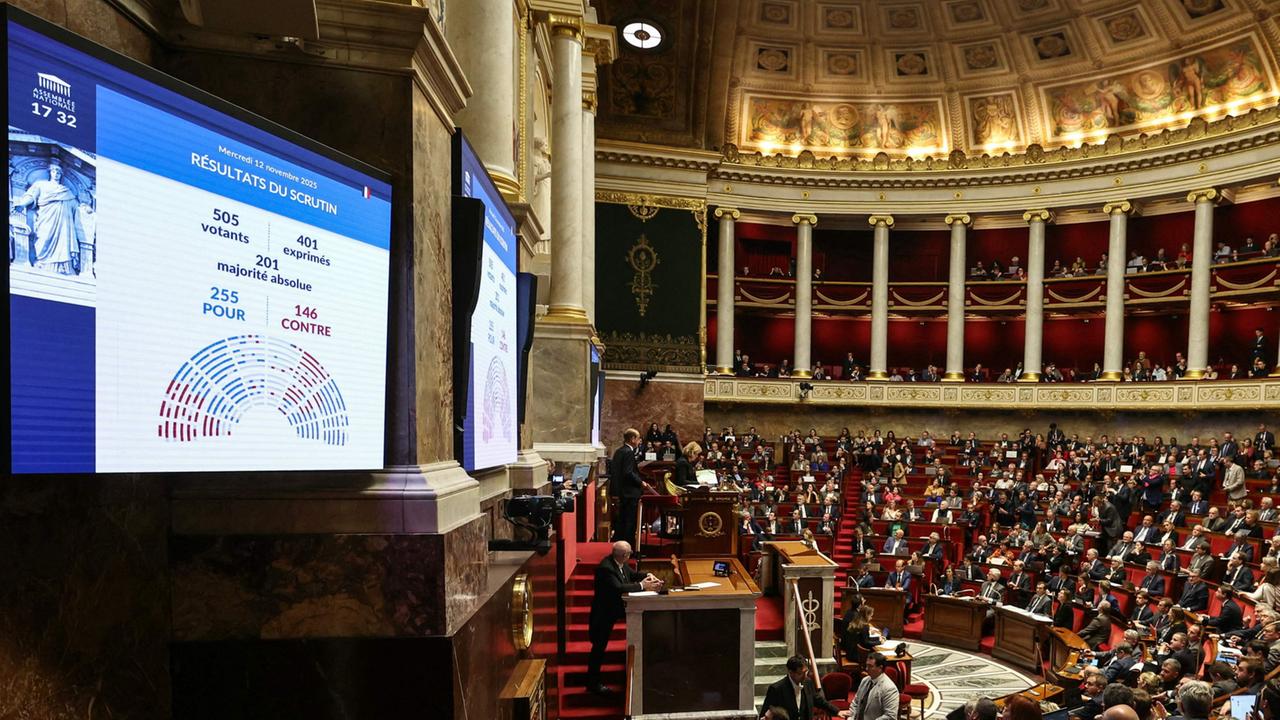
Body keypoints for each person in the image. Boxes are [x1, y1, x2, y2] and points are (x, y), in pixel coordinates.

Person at [587, 541, 661, 694]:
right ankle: (592, 684)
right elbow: (618, 588)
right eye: (629, 554)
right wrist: (642, 586)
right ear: (625, 555)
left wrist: (648, 576)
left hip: (614, 610)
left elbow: (632, 575)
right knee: (599, 648)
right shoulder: (606, 568)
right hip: (603, 614)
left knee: (600, 647)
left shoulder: (618, 562)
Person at [10, 162, 83, 275]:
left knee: (64, 241)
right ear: (50, 172)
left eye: (59, 172)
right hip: (47, 217)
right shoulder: (41, 184)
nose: (56, 174)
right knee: (44, 238)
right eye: (54, 171)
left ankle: (63, 268)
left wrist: (85, 208)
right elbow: (31, 195)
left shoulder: (66, 191)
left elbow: (75, 206)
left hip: (64, 222)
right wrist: (22, 204)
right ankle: (42, 262)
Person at [760, 655, 851, 720]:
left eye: (805, 672)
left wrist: (836, 711)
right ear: (791, 672)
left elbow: (818, 700)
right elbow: (765, 715)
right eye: (800, 673)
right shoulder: (776, 689)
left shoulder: (807, 682)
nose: (804, 676)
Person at [611, 428, 648, 546]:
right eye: (638, 439)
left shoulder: (619, 451)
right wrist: (640, 482)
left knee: (622, 521)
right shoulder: (628, 452)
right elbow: (628, 472)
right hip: (630, 493)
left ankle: (620, 546)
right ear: (632, 439)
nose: (639, 441)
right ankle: (628, 548)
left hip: (622, 492)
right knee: (629, 522)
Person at [847, 652, 895, 720]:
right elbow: (856, 702)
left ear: (880, 668)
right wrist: (851, 717)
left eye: (870, 666)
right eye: (866, 665)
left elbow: (890, 716)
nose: (866, 669)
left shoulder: (889, 688)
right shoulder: (865, 680)